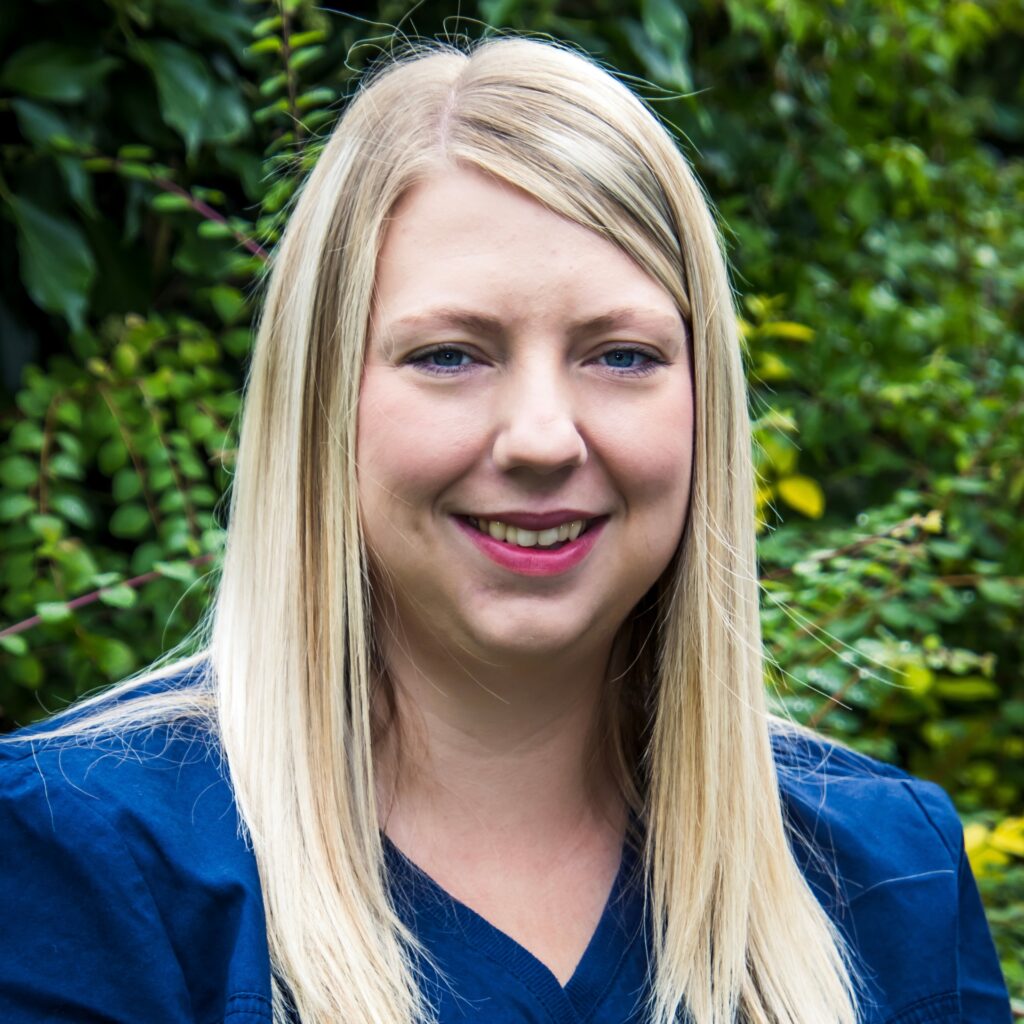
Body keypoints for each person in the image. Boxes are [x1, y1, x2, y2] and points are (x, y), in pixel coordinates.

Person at [0, 36, 1011, 1024]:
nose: (540, 438)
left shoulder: (889, 881)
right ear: (322, 403)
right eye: (450, 354)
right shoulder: (77, 856)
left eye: (620, 355)